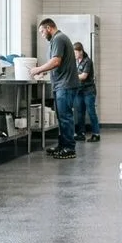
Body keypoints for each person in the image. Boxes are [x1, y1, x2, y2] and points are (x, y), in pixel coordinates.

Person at [30, 19, 79, 159]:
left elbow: (56, 61)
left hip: (66, 84)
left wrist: (38, 69)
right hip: (62, 84)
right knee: (61, 117)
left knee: (65, 117)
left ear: (49, 27)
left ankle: (69, 148)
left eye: (42, 32)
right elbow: (58, 63)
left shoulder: (58, 38)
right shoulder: (56, 40)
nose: (42, 35)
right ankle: (62, 146)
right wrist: (44, 72)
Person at [72, 42, 101, 142]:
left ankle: (96, 134)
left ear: (81, 51)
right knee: (80, 113)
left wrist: (71, 77)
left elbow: (84, 76)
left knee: (91, 112)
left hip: (88, 91)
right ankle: (81, 133)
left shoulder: (87, 61)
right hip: (79, 91)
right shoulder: (75, 61)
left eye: (75, 53)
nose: (74, 55)